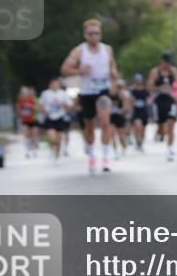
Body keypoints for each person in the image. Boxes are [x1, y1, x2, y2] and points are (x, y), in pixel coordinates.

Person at [60, 18, 120, 173]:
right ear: (85, 35)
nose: (94, 36)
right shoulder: (80, 51)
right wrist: (80, 71)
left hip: (103, 91)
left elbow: (113, 67)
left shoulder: (107, 49)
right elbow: (65, 69)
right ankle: (92, 155)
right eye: (90, 34)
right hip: (87, 92)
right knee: (89, 127)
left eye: (97, 33)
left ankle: (106, 158)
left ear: (100, 34)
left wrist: (114, 76)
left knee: (106, 121)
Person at [149, 52, 177, 161]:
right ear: (162, 61)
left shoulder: (173, 71)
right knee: (161, 127)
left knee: (171, 124)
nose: (168, 65)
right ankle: (159, 132)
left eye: (170, 62)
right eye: (167, 62)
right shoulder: (155, 72)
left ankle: (170, 149)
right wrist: (160, 89)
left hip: (170, 100)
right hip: (159, 101)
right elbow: (150, 86)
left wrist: (175, 91)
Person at [39, 78, 73, 164]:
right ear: (50, 84)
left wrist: (64, 104)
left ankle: (57, 155)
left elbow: (70, 106)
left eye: (56, 84)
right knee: (52, 138)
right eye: (53, 84)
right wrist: (44, 112)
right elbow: (40, 105)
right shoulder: (45, 93)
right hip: (50, 118)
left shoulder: (63, 94)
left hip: (60, 118)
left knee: (59, 139)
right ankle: (52, 149)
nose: (55, 85)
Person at [110, 79, 133, 159]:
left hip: (119, 116)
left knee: (121, 134)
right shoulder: (109, 94)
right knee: (112, 134)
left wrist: (121, 111)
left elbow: (126, 105)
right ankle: (115, 151)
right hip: (111, 116)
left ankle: (124, 148)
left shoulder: (122, 94)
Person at [16, 86, 40, 157]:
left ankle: (34, 150)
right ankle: (27, 150)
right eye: (23, 92)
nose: (24, 93)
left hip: (33, 119)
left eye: (25, 92)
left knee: (34, 135)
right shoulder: (20, 101)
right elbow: (18, 111)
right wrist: (19, 112)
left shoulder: (31, 99)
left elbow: (37, 107)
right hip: (25, 121)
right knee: (27, 135)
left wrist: (31, 106)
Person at [129, 73, 150, 152]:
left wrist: (148, 102)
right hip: (136, 111)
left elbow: (149, 99)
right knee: (138, 126)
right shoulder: (133, 90)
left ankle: (141, 142)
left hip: (144, 111)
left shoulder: (145, 90)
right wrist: (132, 102)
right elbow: (130, 100)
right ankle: (137, 141)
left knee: (143, 129)